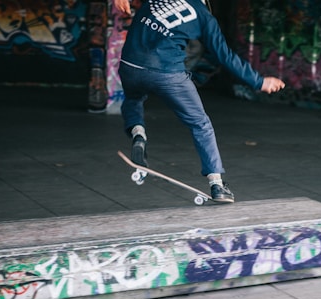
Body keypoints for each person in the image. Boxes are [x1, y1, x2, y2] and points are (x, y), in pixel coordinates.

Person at [113, 0, 285, 203]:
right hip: (168, 73)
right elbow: (225, 56)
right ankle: (217, 184)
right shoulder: (204, 15)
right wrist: (259, 81)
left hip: (130, 66)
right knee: (200, 123)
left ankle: (138, 134)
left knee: (133, 98)